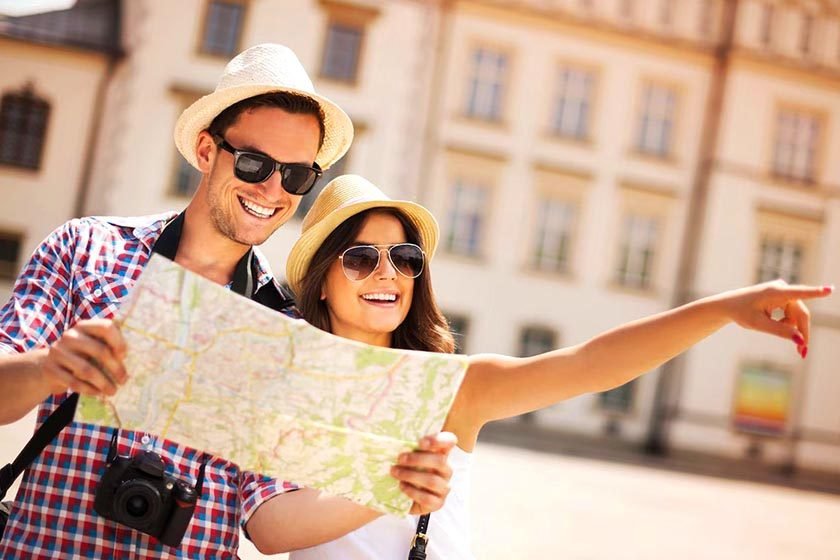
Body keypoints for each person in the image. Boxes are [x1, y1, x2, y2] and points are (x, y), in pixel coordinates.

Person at [0, 45, 456, 558]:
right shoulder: (86, 248)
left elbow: (268, 520)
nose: (271, 188)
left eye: (296, 175)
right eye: (254, 162)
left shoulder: (286, 329)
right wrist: (50, 367)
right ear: (204, 150)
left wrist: (392, 485)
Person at [283, 174, 834, 560]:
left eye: (404, 259)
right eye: (360, 258)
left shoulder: (448, 389)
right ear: (323, 282)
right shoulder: (289, 385)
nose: (387, 274)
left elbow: (591, 365)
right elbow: (266, 528)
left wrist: (724, 308)